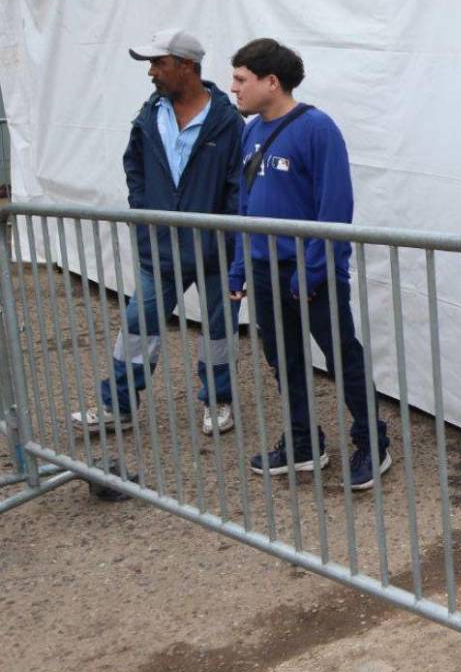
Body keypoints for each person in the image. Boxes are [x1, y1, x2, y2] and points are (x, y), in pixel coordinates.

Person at [226, 39, 389, 490]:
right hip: (264, 272)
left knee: (341, 357)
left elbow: (334, 207)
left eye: (241, 79)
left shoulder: (318, 129)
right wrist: (240, 266)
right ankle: (302, 442)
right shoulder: (251, 130)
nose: (233, 88)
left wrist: (313, 270)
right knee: (284, 360)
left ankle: (372, 442)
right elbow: (245, 205)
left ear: (271, 82)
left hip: (310, 274)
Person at [72, 29, 244, 436]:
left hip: (215, 250)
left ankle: (218, 401)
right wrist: (143, 211)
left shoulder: (227, 121)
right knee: (137, 326)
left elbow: (239, 184)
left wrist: (231, 237)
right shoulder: (150, 114)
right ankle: (118, 406)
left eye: (158, 63)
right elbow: (134, 164)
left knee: (218, 332)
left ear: (186, 66)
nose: (151, 72)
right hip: (160, 250)